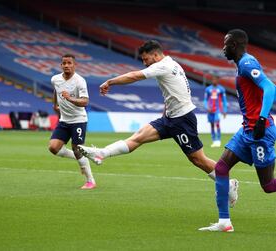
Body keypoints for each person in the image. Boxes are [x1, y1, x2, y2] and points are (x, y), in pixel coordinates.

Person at [78, 40, 238, 202]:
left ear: (155, 55)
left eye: (146, 59)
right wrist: (165, 114)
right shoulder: (171, 64)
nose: (144, 63)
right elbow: (172, 93)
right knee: (139, 137)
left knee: (198, 159)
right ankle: (101, 153)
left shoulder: (164, 65)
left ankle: (228, 184)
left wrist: (110, 81)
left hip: (182, 119)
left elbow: (134, 76)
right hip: (169, 118)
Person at [199, 29, 276, 232]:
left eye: (225, 44)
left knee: (268, 186)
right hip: (247, 130)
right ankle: (224, 222)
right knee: (222, 168)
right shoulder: (242, 64)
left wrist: (261, 119)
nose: (223, 49)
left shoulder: (246, 63)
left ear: (234, 45)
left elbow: (270, 87)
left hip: (260, 131)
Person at [48, 54, 96, 189]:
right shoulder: (55, 79)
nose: (66, 65)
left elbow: (85, 101)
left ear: (75, 65)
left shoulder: (80, 81)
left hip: (78, 120)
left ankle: (90, 181)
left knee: (77, 148)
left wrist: (69, 99)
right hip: (64, 120)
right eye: (64, 63)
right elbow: (56, 91)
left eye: (69, 63)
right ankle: (84, 156)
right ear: (61, 65)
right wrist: (55, 104)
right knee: (53, 147)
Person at [204, 76, 228, 147]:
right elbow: (205, 99)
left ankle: (218, 140)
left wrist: (225, 110)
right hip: (210, 109)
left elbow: (224, 100)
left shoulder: (221, 89)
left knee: (217, 123)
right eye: (213, 79)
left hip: (217, 109)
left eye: (215, 79)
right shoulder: (208, 89)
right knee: (211, 125)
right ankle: (214, 140)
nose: (214, 81)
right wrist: (207, 107)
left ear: (218, 80)